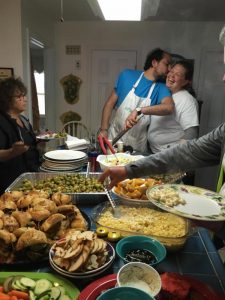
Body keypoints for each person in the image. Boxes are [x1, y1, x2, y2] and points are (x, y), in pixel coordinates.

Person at [99, 24, 225, 239]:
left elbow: (187, 141)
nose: (222, 78)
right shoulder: (143, 82)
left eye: (176, 72)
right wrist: (129, 170)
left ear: (187, 81)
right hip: (144, 153)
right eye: (169, 68)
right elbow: (191, 151)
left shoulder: (177, 97)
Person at [98, 48, 174, 153]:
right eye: (167, 64)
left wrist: (140, 110)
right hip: (115, 139)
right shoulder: (126, 75)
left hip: (137, 146)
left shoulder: (161, 88)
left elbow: (169, 108)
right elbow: (109, 104)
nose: (170, 69)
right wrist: (103, 130)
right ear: (154, 62)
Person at [148, 59, 199, 153]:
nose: (172, 75)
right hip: (156, 153)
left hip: (169, 156)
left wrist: (177, 157)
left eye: (178, 74)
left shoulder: (186, 99)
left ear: (185, 82)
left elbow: (191, 133)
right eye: (171, 71)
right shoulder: (165, 95)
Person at [0, 77, 40, 195]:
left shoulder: (23, 119)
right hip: (11, 184)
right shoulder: (2, 122)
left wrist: (38, 141)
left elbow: (28, 143)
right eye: (19, 97)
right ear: (6, 100)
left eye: (24, 96)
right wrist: (12, 151)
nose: (25, 99)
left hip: (29, 179)